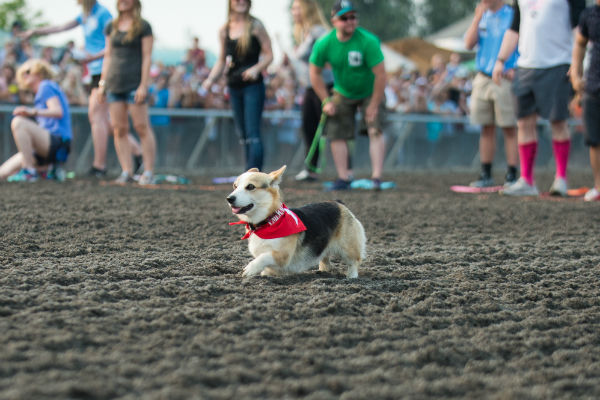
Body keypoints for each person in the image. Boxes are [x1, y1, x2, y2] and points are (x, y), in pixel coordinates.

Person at [22, 0, 142, 178]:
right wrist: (36, 32)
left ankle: (100, 166)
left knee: (98, 116)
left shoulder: (103, 13)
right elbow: (61, 27)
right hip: (94, 71)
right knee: (103, 120)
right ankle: (137, 154)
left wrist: (93, 57)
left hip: (105, 69)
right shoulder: (85, 15)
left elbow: (114, 44)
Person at [493, 0, 586, 196]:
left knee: (558, 122)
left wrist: (578, 62)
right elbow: (514, 28)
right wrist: (500, 60)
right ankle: (527, 180)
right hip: (525, 66)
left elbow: (580, 29)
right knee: (524, 124)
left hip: (558, 64)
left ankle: (560, 179)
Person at [309, 0, 386, 190]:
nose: (350, 21)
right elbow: (314, 73)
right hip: (342, 91)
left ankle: (376, 176)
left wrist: (374, 104)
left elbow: (381, 75)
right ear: (334, 20)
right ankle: (343, 177)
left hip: (370, 90)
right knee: (336, 131)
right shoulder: (324, 44)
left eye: (353, 16)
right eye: (344, 18)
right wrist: (326, 100)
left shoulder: (368, 41)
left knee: (374, 128)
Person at [201, 0, 273, 172]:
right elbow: (220, 60)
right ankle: (249, 173)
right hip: (234, 86)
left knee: (253, 132)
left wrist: (256, 69)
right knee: (243, 134)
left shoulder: (256, 26)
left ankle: (254, 174)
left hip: (253, 86)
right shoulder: (224, 29)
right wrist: (210, 79)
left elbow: (270, 55)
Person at [98, 0, 156, 185]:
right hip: (114, 84)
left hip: (134, 84)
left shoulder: (143, 26)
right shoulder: (111, 26)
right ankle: (127, 171)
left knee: (141, 127)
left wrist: (143, 85)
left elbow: (147, 57)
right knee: (119, 129)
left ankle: (148, 171)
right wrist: (103, 83)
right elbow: (108, 55)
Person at [464, 0, 519, 188]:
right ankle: (485, 173)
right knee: (486, 128)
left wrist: (516, 68)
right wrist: (477, 18)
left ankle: (512, 174)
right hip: (482, 76)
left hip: (505, 77)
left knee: (509, 128)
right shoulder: (482, 15)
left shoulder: (512, 14)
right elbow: (468, 44)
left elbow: (521, 42)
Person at [0, 59, 72, 182]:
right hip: (48, 147)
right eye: (23, 73)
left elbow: (58, 111)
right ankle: (47, 170)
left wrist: (32, 111)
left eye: (28, 71)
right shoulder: (41, 91)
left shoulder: (45, 85)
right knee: (2, 172)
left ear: (38, 72)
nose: (24, 75)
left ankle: (29, 171)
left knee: (19, 122)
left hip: (58, 142)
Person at [286, 0, 333, 182]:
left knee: (330, 130)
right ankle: (311, 168)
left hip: (324, 86)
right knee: (309, 128)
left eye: (297, 8)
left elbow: (327, 58)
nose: (293, 12)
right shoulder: (305, 33)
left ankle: (343, 171)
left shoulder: (318, 32)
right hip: (310, 86)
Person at [571, 0, 600, 201]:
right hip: (593, 85)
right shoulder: (589, 14)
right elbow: (579, 44)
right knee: (594, 141)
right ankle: (599, 187)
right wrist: (575, 74)